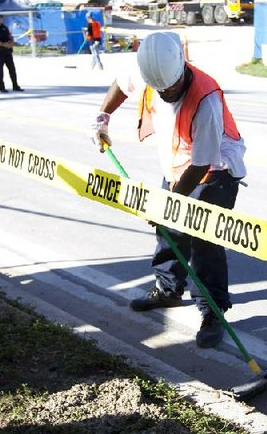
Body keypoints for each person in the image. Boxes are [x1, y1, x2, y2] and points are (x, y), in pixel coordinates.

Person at [90, 31, 246, 348]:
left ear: (181, 69)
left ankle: (213, 312)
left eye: (171, 88)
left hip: (214, 169)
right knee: (167, 232)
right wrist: (103, 118)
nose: (165, 94)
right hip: (176, 164)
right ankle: (168, 289)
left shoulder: (206, 101)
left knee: (204, 243)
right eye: (160, 90)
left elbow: (202, 164)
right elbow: (122, 83)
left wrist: (165, 204)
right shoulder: (153, 67)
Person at [0, 12, 23, 93]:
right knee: (0, 69)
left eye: (0, 18)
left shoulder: (5, 28)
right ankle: (1, 86)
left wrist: (11, 43)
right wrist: (2, 44)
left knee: (12, 69)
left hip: (7, 51)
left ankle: (15, 85)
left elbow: (10, 37)